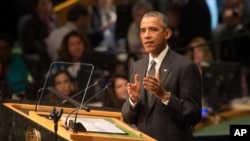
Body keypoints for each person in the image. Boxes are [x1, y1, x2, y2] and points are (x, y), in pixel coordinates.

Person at [121, 11, 202, 141]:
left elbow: (194, 116)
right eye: (143, 31)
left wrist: (165, 96)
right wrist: (134, 101)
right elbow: (128, 117)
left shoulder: (185, 67)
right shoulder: (137, 67)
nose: (146, 35)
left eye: (153, 29)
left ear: (167, 34)